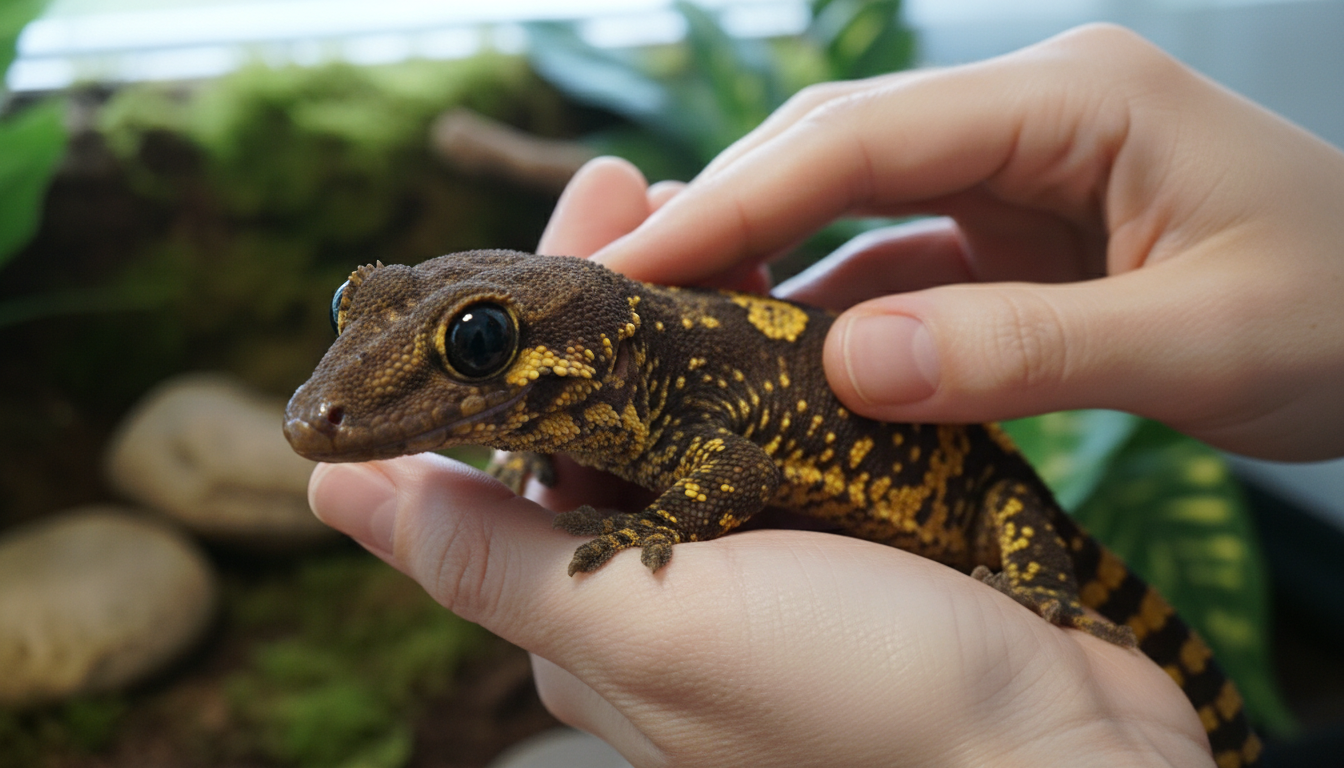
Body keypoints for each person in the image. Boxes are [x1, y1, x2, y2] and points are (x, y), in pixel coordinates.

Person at [306, 24, 1344, 767]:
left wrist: (1057, 730)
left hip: (981, 509)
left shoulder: (675, 404)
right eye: (361, 303)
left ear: (586, 348)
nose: (335, 404)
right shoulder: (620, 391)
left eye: (475, 342)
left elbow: (739, 468)